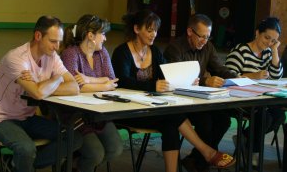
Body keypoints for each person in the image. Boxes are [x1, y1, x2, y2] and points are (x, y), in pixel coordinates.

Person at [112, 10, 235, 172]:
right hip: (130, 109)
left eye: (155, 30)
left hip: (152, 106)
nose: (153, 34)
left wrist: (186, 80)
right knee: (174, 116)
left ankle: (194, 159)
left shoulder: (154, 52)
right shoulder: (122, 52)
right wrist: (153, 86)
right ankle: (207, 152)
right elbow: (122, 81)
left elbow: (169, 74)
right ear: (136, 29)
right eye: (149, 30)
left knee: (171, 124)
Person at [0, 16, 83, 172]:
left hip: (27, 117)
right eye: (53, 41)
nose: (57, 47)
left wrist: (50, 81)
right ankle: (21, 163)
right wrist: (55, 80)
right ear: (38, 36)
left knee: (74, 138)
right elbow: (38, 94)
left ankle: (15, 164)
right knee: (26, 148)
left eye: (59, 41)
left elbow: (74, 87)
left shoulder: (52, 57)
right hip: (1, 118)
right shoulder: (16, 58)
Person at [164, 13, 238, 172]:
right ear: (190, 32)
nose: (204, 41)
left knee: (224, 120)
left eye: (208, 37)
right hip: (180, 101)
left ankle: (196, 159)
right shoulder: (175, 48)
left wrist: (239, 78)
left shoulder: (207, 47)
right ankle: (202, 162)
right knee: (205, 122)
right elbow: (177, 81)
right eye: (201, 37)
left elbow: (219, 69)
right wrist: (205, 81)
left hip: (200, 100)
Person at [60, 14, 123, 172]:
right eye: (103, 34)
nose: (105, 39)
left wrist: (87, 80)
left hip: (98, 114)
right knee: (96, 154)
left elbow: (112, 81)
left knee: (115, 149)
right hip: (76, 115)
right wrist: (103, 84)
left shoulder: (102, 53)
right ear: (90, 35)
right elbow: (74, 87)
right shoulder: (71, 54)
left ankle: (75, 164)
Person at [225, 17, 286, 166]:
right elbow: (227, 77)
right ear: (257, 33)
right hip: (238, 98)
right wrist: (252, 76)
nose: (269, 43)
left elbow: (277, 76)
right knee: (264, 117)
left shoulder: (268, 53)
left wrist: (275, 51)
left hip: (261, 97)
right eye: (266, 38)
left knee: (279, 116)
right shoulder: (241, 51)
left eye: (273, 41)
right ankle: (254, 152)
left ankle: (245, 138)